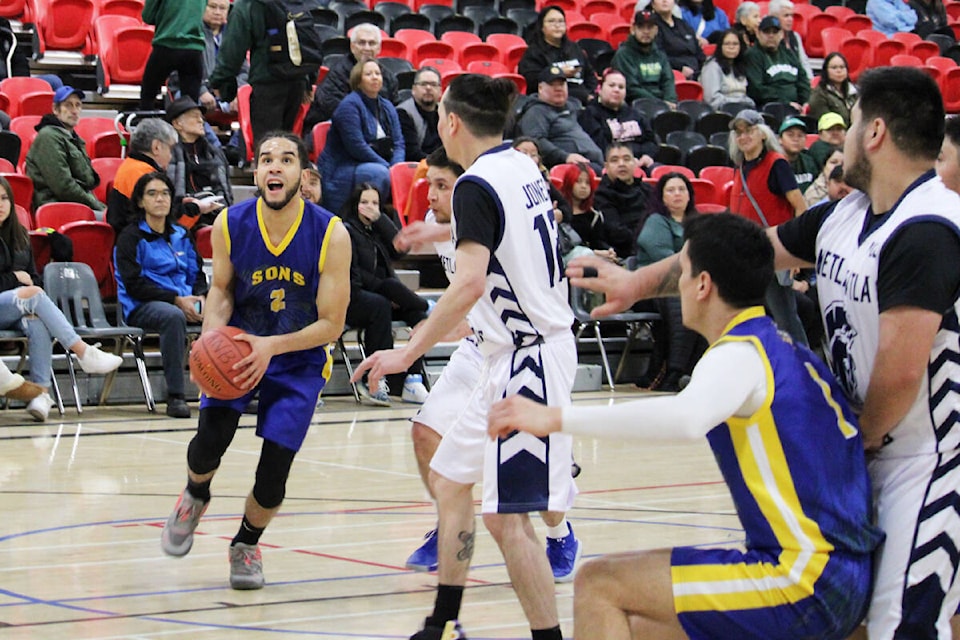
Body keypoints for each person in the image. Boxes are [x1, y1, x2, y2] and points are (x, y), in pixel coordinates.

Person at [567, 66, 960, 640]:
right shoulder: (845, 216)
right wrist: (637, 282)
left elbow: (900, 375)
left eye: (850, 125)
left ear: (875, 133)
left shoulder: (928, 227)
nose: (844, 138)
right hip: (872, 447)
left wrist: (848, 449)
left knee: (898, 626)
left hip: (927, 460)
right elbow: (742, 254)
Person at [490, 212, 883, 640]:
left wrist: (553, 417)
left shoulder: (740, 353)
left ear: (702, 285)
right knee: (637, 625)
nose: (676, 285)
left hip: (801, 579)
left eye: (683, 272)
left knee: (600, 585)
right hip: (842, 574)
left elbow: (685, 418)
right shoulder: (785, 347)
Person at [351, 74, 577, 640]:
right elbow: (502, 238)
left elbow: (470, 284)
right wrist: (441, 232)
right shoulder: (522, 166)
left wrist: (409, 351)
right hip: (517, 350)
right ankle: (443, 624)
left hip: (529, 358)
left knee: (506, 518)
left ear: (451, 122)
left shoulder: (476, 185)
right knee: (452, 484)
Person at [159, 131, 352, 591]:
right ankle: (195, 494)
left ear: (302, 175)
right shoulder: (230, 223)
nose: (273, 167)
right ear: (257, 172)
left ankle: (245, 543)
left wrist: (272, 347)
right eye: (266, 159)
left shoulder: (331, 233)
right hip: (240, 347)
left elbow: (332, 324)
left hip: (298, 357)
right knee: (209, 442)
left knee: (273, 474)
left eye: (286, 159)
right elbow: (222, 289)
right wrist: (211, 337)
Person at [394, 147, 583, 583]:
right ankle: (450, 523)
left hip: (521, 352)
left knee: (535, 493)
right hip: (480, 349)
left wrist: (416, 345)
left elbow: (478, 285)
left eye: (444, 186)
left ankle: (561, 533)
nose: (434, 196)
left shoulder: (486, 213)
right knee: (424, 432)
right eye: (431, 186)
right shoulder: (447, 225)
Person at [0, 175, 123, 421]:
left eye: (4, 198)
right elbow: (25, 283)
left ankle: (40, 394)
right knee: (33, 297)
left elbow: (34, 278)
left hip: (14, 308)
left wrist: (24, 284)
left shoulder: (21, 236)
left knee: (38, 320)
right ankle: (83, 352)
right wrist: (16, 280)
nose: (0, 204)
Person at [114, 171, 208, 419]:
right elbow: (134, 284)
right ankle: (176, 396)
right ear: (140, 201)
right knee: (172, 316)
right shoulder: (130, 238)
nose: (160, 199)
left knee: (230, 310)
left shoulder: (182, 235)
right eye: (152, 194)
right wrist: (176, 300)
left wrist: (202, 298)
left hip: (187, 302)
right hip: (143, 306)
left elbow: (197, 273)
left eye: (165, 193)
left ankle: (236, 394)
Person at [341, 183, 430, 406]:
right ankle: (375, 379)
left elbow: (402, 248)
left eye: (375, 203)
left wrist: (381, 220)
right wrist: (382, 289)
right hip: (355, 296)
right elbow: (355, 275)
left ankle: (413, 380)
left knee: (418, 316)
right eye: (364, 202)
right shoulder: (345, 230)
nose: (370, 207)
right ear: (355, 205)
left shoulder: (378, 231)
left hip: (383, 292)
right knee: (382, 300)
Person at [727, 109, 808, 346]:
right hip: (745, 254)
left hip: (774, 250)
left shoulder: (776, 164)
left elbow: (800, 208)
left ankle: (806, 370)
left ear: (762, 134)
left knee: (785, 318)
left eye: (749, 130)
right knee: (747, 317)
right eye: (739, 132)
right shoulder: (740, 167)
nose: (743, 137)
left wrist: (795, 252)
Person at [634, 171, 705, 391]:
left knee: (708, 300)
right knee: (681, 299)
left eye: (682, 189)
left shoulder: (699, 221)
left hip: (687, 284)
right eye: (671, 190)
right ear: (662, 197)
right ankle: (674, 370)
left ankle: (693, 369)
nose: (677, 194)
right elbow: (665, 259)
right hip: (652, 286)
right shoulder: (656, 221)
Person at [208, 0, 315, 145]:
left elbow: (232, 53)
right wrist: (309, 81)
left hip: (267, 83)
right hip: (297, 82)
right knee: (286, 144)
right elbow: (307, 42)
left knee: (267, 145)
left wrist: (218, 82)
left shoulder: (247, 5)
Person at [317, 59, 404, 216]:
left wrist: (396, 166)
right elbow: (357, 147)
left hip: (377, 162)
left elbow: (399, 143)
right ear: (358, 80)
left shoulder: (387, 106)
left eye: (377, 73)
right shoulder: (348, 106)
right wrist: (387, 167)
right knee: (378, 173)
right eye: (368, 74)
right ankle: (368, 219)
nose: (375, 77)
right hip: (343, 165)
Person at [107, 118, 214, 237]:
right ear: (156, 147)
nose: (171, 156)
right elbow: (164, 222)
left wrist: (180, 203)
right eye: (171, 149)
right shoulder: (145, 176)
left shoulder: (131, 166)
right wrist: (196, 208)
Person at [305, 23, 399, 132]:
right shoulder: (338, 73)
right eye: (362, 43)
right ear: (352, 47)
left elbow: (393, 110)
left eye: (372, 43)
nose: (367, 48)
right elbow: (335, 109)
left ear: (379, 48)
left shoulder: (388, 77)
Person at [25, 86, 105, 213]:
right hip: (57, 207)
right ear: (55, 109)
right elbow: (63, 186)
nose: (74, 111)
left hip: (76, 205)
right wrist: (98, 206)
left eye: (78, 105)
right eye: (68, 105)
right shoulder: (48, 137)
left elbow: (87, 181)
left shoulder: (73, 138)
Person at [517, 65, 603, 171]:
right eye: (552, 85)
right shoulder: (536, 112)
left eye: (561, 84)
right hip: (572, 167)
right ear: (540, 88)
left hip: (594, 160)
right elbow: (537, 141)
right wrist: (565, 157)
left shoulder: (573, 105)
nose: (558, 88)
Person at [166, 96, 233, 230]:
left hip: (216, 216)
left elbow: (226, 191)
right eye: (194, 116)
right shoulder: (168, 154)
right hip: (183, 219)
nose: (200, 120)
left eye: (201, 117)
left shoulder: (215, 153)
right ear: (177, 124)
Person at [578, 68, 659, 174]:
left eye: (621, 87)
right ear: (600, 89)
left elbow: (652, 142)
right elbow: (602, 147)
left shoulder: (636, 114)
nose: (616, 90)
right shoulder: (590, 114)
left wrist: (646, 156)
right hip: (610, 165)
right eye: (611, 85)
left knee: (662, 171)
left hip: (641, 163)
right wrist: (628, 158)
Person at [518, 6, 598, 107]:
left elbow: (590, 75)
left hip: (583, 101)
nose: (557, 25)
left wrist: (589, 94)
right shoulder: (533, 52)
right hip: (551, 104)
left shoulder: (574, 48)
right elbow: (532, 81)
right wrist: (559, 73)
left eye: (561, 21)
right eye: (551, 21)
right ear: (542, 27)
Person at [140, 0, 205, 110]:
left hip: (167, 43)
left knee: (148, 96)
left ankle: (147, 124)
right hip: (194, 49)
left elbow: (148, 16)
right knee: (190, 105)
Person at [594, 142, 654, 259]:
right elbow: (617, 233)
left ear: (635, 163)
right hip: (624, 255)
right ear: (606, 166)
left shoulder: (648, 189)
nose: (621, 164)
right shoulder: (602, 195)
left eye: (627, 159)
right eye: (614, 160)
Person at [556, 163, 618, 264]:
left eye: (587, 183)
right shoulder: (559, 212)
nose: (583, 187)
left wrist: (608, 252)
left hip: (588, 258)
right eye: (578, 181)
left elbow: (597, 242)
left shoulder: (594, 214)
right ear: (569, 182)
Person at [611, 10, 678, 105]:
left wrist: (670, 101)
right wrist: (659, 103)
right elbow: (631, 87)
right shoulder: (623, 55)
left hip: (662, 104)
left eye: (650, 27)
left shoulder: (660, 55)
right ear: (633, 29)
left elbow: (668, 81)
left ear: (656, 30)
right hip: (636, 104)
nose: (646, 31)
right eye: (641, 27)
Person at [743, 16, 809, 111]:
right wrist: (785, 102)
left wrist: (805, 102)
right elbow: (756, 89)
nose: (771, 36)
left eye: (775, 32)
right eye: (767, 32)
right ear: (758, 34)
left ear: (781, 34)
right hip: (769, 107)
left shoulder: (788, 53)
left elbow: (803, 80)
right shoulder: (753, 55)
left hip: (796, 106)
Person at [197, 0, 247, 115]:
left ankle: (241, 134)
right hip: (197, 92)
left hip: (228, 93)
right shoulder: (191, 32)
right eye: (212, 7)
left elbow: (244, 71)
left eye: (222, 8)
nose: (217, 12)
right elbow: (180, 71)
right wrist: (202, 91)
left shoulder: (234, 35)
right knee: (191, 104)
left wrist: (238, 94)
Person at [511, 136, 572, 223]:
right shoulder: (508, 183)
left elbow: (566, 207)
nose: (528, 157)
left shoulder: (543, 181)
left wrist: (559, 214)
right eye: (524, 153)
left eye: (533, 155)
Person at [699, 29, 754, 111]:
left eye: (735, 44)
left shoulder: (741, 65)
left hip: (743, 109)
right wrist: (738, 103)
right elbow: (712, 99)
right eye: (727, 44)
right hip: (721, 112)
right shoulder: (712, 66)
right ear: (720, 46)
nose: (731, 47)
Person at [397, 67, 443, 162]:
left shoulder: (445, 113)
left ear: (440, 91)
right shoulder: (403, 113)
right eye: (423, 84)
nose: (428, 88)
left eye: (433, 85)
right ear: (413, 89)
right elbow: (411, 153)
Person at [650, 0, 705, 79]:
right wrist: (679, 67)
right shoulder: (651, 27)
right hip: (672, 73)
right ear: (653, 4)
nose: (664, 1)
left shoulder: (683, 24)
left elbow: (698, 51)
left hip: (696, 70)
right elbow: (657, 56)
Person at [807, 52, 857, 127]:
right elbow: (824, 122)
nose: (839, 71)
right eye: (834, 68)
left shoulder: (854, 92)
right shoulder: (819, 94)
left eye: (842, 67)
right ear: (826, 71)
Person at [768, 0, 813, 80]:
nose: (790, 19)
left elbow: (804, 62)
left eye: (791, 16)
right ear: (774, 17)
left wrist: (810, 81)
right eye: (786, 16)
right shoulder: (768, 39)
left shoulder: (795, 37)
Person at [778, 116, 819, 194]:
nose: (796, 139)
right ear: (780, 139)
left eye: (800, 135)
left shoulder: (809, 162)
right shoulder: (773, 163)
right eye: (790, 135)